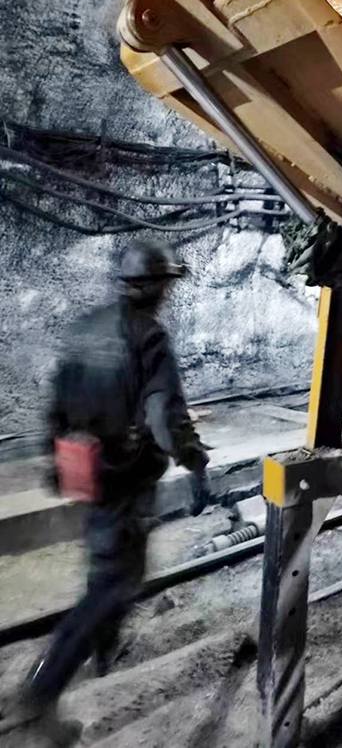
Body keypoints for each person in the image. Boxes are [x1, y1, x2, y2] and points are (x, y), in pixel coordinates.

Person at [6, 240, 210, 745]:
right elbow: (164, 417)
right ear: (156, 288)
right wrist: (194, 461)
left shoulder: (85, 328)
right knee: (113, 586)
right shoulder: (148, 338)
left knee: (108, 569)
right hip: (125, 478)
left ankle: (102, 659)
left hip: (87, 471)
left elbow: (56, 402)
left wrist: (57, 459)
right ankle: (35, 700)